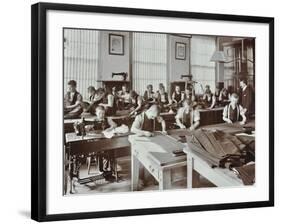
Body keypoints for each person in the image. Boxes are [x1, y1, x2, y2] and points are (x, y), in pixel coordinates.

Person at [85, 106, 117, 178]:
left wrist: (110, 128)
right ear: (96, 113)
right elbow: (88, 129)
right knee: (99, 151)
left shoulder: (107, 119)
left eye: (103, 113)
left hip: (106, 140)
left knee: (110, 149)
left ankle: (109, 169)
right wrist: (88, 128)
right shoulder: (94, 120)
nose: (102, 115)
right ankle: (101, 169)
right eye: (100, 113)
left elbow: (115, 125)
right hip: (97, 142)